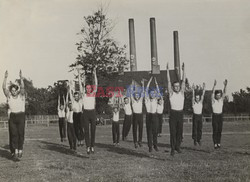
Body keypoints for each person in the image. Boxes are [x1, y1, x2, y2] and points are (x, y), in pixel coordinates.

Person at [2, 70, 25, 160]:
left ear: (17, 90)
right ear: (11, 91)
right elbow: (4, 88)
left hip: (20, 116)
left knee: (20, 134)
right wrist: (5, 77)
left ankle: (20, 149)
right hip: (12, 117)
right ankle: (15, 152)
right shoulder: (9, 96)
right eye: (12, 90)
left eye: (15, 90)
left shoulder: (21, 96)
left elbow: (22, 87)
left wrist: (21, 78)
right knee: (14, 134)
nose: (13, 92)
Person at [166, 63, 186, 156]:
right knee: (173, 132)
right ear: (173, 88)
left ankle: (178, 146)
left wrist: (183, 70)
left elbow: (184, 81)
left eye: (178, 86)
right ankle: (173, 148)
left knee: (180, 132)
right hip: (173, 114)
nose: (177, 87)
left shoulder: (182, 93)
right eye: (176, 86)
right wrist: (167, 71)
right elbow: (168, 82)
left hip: (180, 114)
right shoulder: (171, 94)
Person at [81, 66, 98, 154]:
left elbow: (96, 84)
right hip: (86, 113)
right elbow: (81, 86)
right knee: (86, 130)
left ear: (91, 89)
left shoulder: (93, 94)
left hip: (92, 112)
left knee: (93, 130)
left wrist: (94, 74)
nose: (88, 90)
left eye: (89, 88)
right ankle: (88, 146)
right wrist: (81, 77)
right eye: (86, 88)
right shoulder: (83, 95)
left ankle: (92, 146)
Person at [211, 79, 228, 149]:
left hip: (220, 116)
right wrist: (214, 86)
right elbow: (212, 93)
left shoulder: (221, 100)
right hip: (215, 116)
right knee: (215, 129)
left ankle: (218, 142)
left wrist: (225, 85)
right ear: (215, 96)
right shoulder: (213, 101)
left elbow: (224, 92)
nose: (218, 96)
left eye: (219, 95)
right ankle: (215, 143)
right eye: (217, 95)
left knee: (219, 130)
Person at [144, 76, 159, 152]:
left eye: (154, 93)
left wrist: (156, 83)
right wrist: (149, 81)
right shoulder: (147, 100)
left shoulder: (156, 100)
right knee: (149, 132)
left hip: (155, 116)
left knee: (155, 131)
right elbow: (146, 90)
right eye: (151, 93)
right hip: (148, 116)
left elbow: (158, 91)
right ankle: (150, 147)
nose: (152, 94)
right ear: (149, 94)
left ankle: (155, 145)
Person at [131, 79, 145, 148]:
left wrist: (143, 85)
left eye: (137, 95)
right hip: (135, 116)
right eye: (135, 95)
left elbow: (142, 93)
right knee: (135, 129)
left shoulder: (140, 101)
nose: (137, 96)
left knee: (141, 128)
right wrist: (132, 86)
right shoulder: (133, 101)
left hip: (140, 115)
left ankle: (140, 141)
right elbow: (131, 93)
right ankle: (135, 142)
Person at [65, 86, 77, 152]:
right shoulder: (67, 109)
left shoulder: (74, 109)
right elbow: (67, 102)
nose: (70, 104)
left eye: (71, 104)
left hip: (73, 124)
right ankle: (71, 146)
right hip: (68, 124)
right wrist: (68, 92)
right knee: (69, 136)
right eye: (69, 104)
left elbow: (72, 100)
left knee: (74, 136)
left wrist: (71, 91)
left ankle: (74, 147)